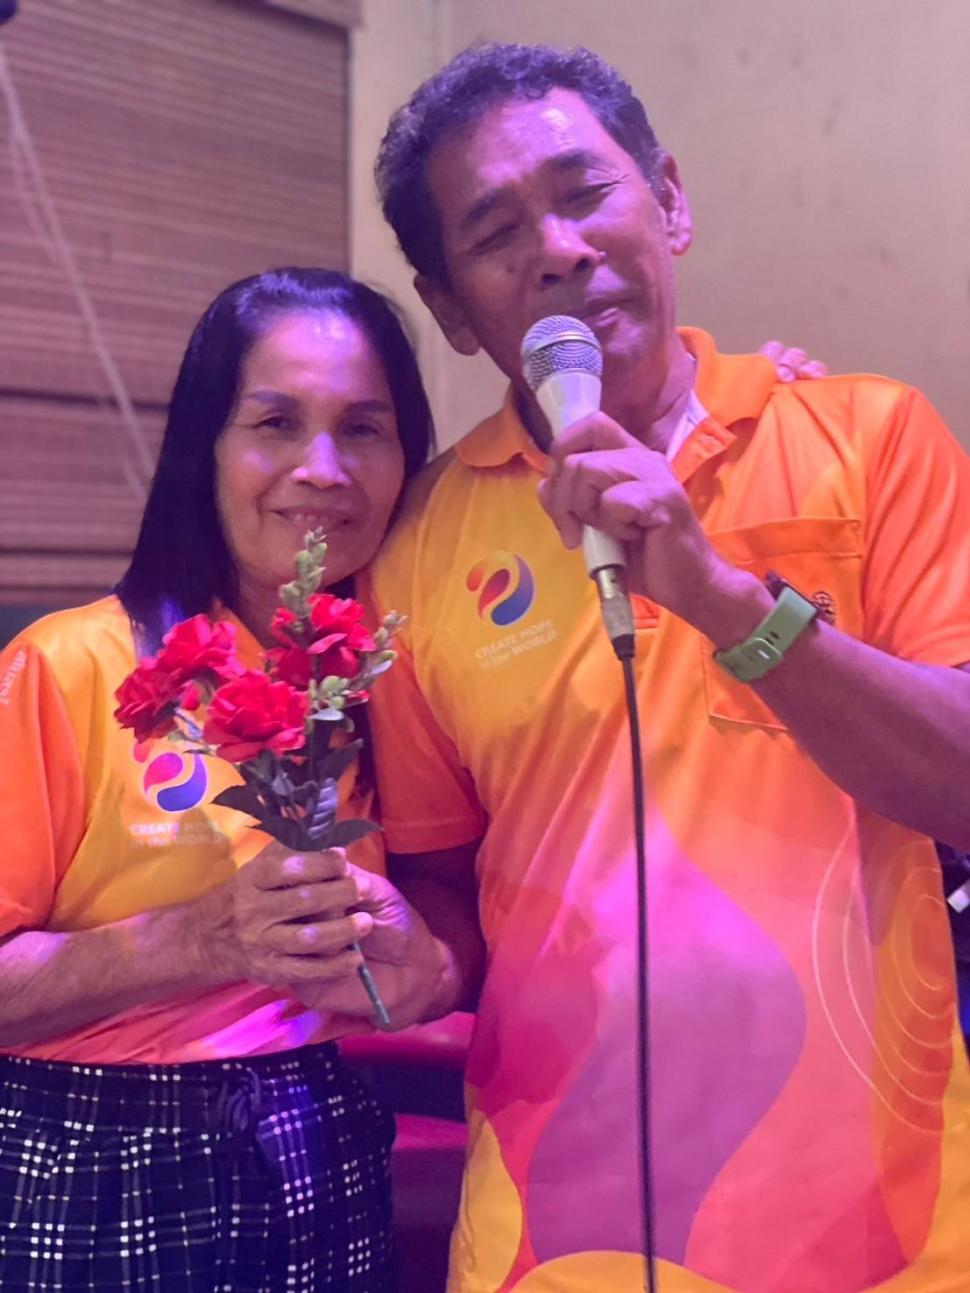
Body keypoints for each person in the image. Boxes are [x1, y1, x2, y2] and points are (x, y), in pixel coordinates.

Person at [354, 43, 970, 1293]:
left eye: (585, 192)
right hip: (550, 1236)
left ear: (670, 199)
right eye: (496, 233)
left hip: (882, 1224)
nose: (558, 250)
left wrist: (726, 601)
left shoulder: (869, 436)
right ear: (450, 307)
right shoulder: (415, 545)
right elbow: (442, 879)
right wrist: (414, 957)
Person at [0, 267, 478, 1293]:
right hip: (94, 1150)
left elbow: (449, 896)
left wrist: (429, 968)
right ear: (203, 450)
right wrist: (202, 937)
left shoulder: (389, 677)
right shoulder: (68, 665)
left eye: (364, 429)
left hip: (323, 1137)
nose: (323, 469)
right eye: (275, 422)